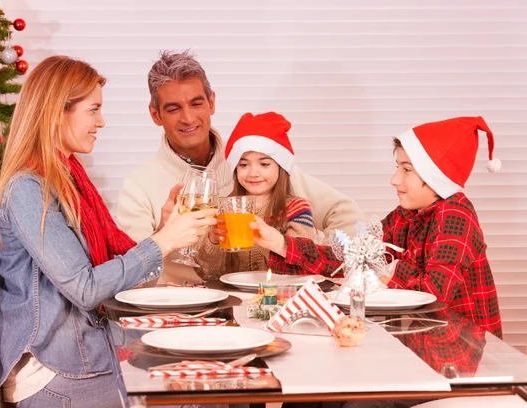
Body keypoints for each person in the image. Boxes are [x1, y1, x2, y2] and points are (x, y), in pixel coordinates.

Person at [0, 56, 216, 407]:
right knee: (207, 394)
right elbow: (85, 288)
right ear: (57, 111)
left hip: (88, 349)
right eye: (93, 110)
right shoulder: (28, 189)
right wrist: (164, 241)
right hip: (60, 372)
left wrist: (163, 234)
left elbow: (107, 273)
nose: (101, 122)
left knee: (218, 374)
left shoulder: (68, 178)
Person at [117, 50, 365, 285]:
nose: (189, 118)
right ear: (155, 115)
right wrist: (163, 233)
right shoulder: (138, 186)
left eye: (196, 104)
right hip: (180, 311)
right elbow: (132, 279)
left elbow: (344, 213)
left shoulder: (255, 161)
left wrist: (325, 265)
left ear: (211, 102)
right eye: (173, 109)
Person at [251, 116, 503, 338]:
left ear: (434, 176)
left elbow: (435, 295)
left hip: (463, 347)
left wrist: (386, 269)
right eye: (397, 168)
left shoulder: (455, 215)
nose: (395, 180)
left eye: (406, 170)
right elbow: (349, 258)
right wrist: (280, 243)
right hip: (420, 337)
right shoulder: (406, 214)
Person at [192, 111, 316, 280]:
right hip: (234, 296)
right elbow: (207, 273)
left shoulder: (296, 209)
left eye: (264, 164)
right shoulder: (223, 207)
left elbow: (302, 263)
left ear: (281, 167)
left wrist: (267, 240)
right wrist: (213, 241)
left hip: (278, 296)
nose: (253, 173)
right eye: (244, 164)